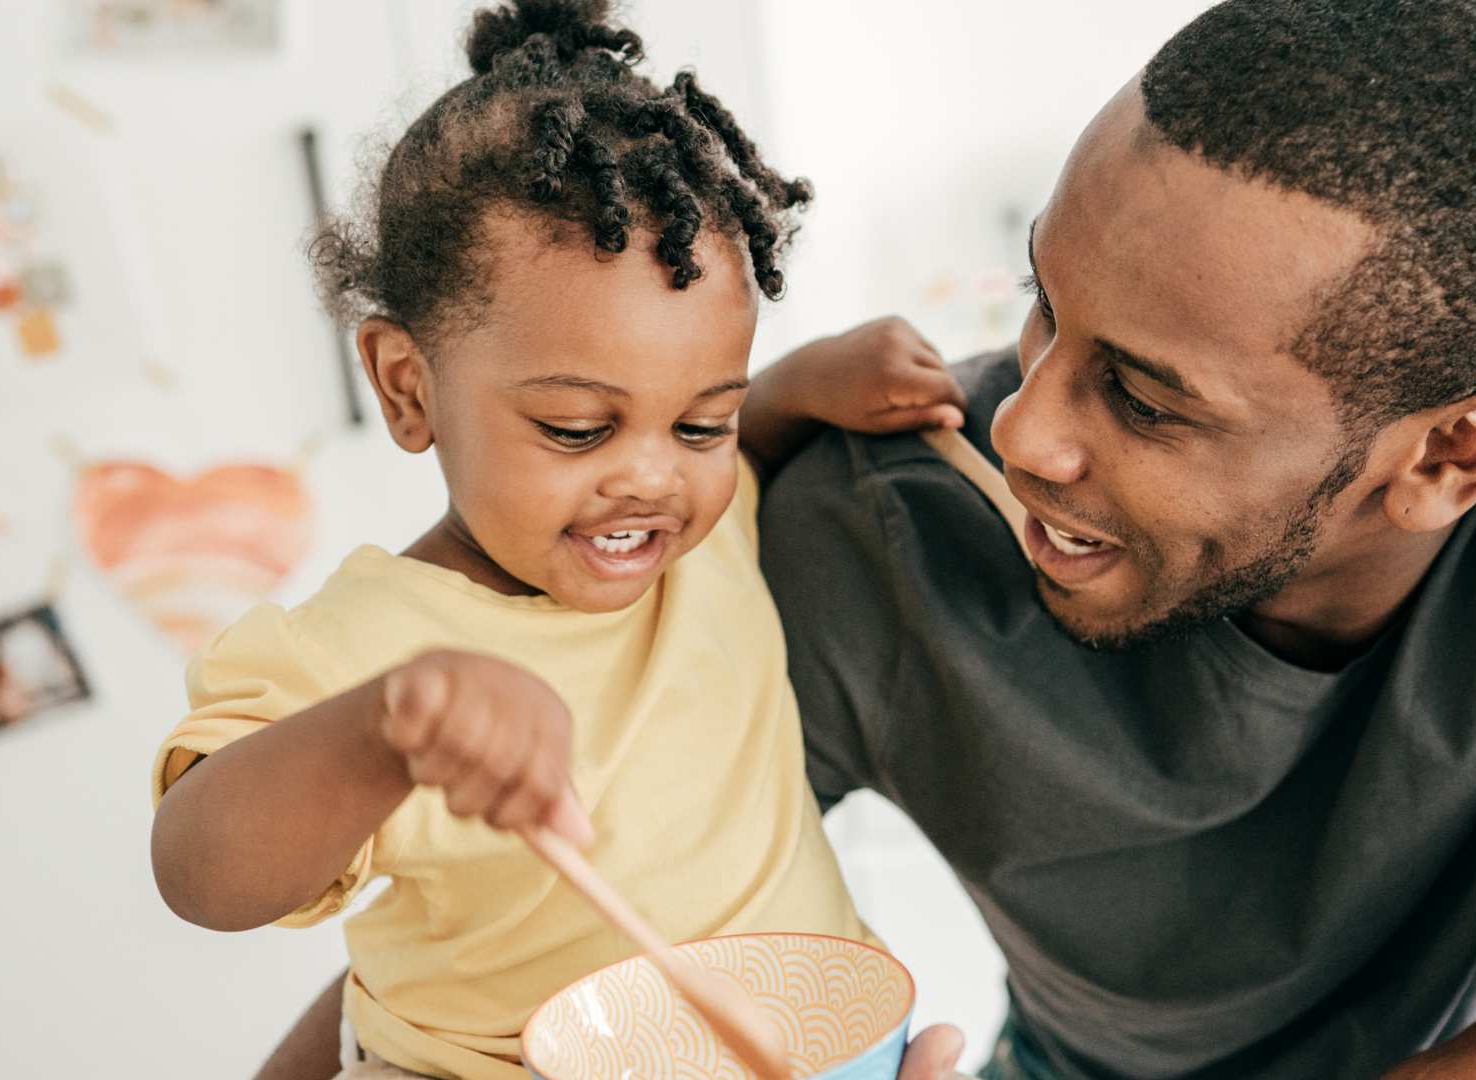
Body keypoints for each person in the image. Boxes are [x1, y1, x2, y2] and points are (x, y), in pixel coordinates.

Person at [265, 0, 1476, 1076]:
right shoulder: (879, 537)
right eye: (1043, 304)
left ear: (1451, 456)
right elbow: (479, 941)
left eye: (1147, 397)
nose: (1023, 428)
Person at [146, 3, 969, 1078]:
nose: (651, 477)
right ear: (410, 386)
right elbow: (199, 873)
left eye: (700, 423)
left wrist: (801, 382)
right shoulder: (362, 653)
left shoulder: (703, 536)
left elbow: (731, 437)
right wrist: (384, 732)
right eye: (576, 429)